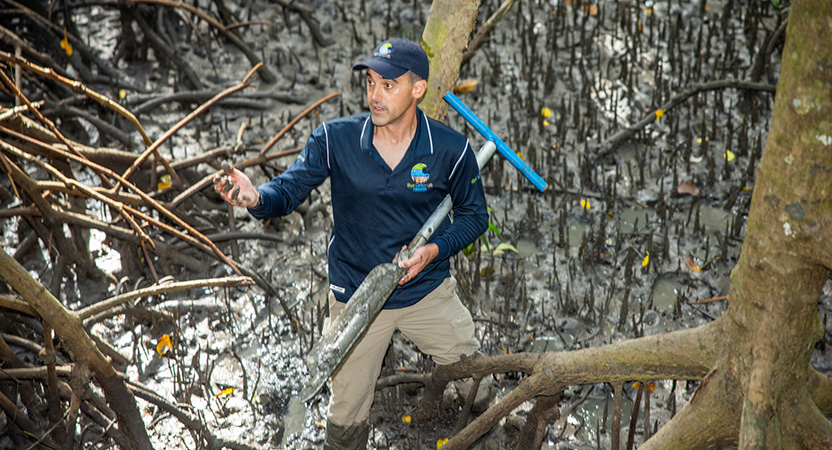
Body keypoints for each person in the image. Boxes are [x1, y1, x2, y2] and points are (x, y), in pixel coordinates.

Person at [214, 38, 494, 450]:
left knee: (475, 377)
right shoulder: (334, 139)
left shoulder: (449, 151)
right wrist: (255, 197)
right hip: (356, 299)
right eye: (370, 83)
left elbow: (474, 216)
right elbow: (288, 192)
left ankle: (488, 427)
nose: (375, 96)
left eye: (389, 85)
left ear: (418, 89)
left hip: (425, 291)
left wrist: (433, 251)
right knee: (344, 419)